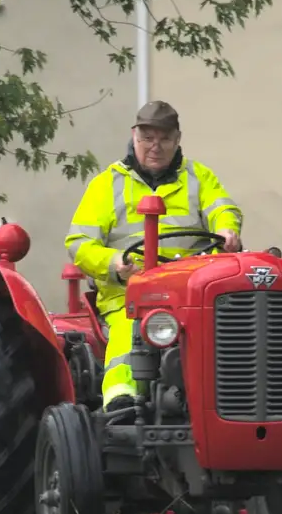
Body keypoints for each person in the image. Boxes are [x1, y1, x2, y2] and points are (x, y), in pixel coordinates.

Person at [63, 100, 242, 422]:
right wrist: (116, 263)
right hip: (130, 291)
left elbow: (222, 209)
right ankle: (122, 402)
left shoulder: (199, 177)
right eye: (147, 138)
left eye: (164, 138)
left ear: (177, 140)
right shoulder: (107, 184)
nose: (155, 146)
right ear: (134, 136)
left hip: (193, 291)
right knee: (130, 328)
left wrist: (227, 229)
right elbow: (79, 243)